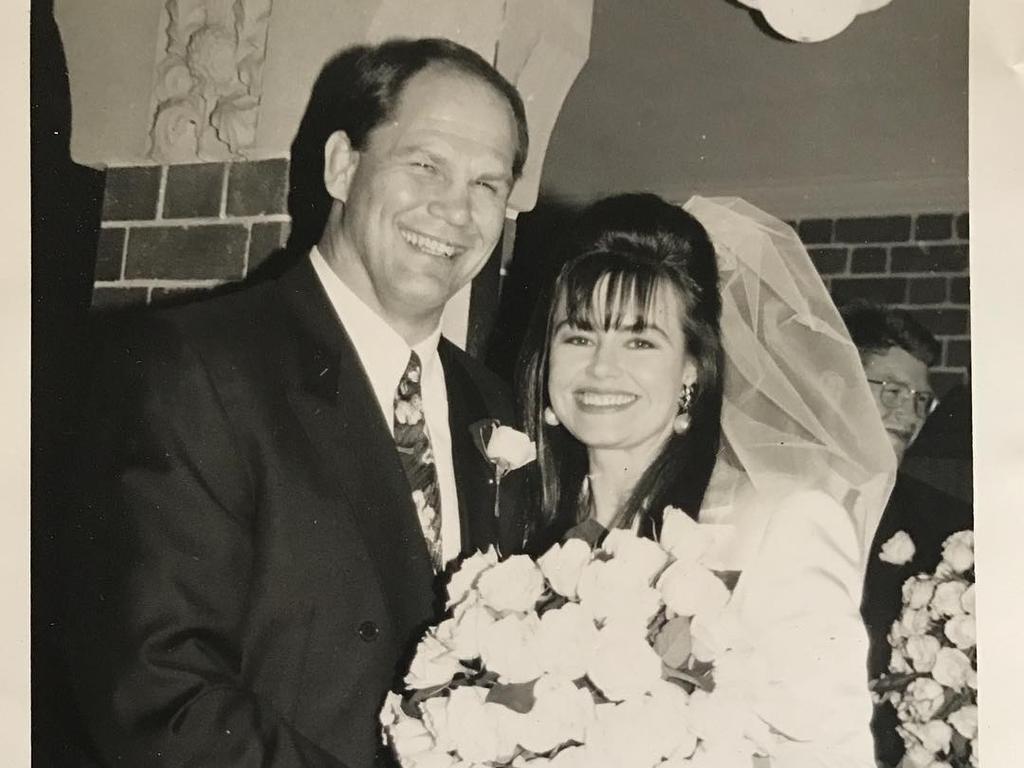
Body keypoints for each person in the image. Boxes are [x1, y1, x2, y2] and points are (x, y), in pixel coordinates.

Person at [63, 38, 529, 768]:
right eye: (425, 165)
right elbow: (159, 689)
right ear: (342, 166)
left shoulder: (493, 408)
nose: (454, 211)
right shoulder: (200, 367)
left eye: (487, 185)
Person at [518, 193, 896, 766]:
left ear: (692, 371)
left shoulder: (784, 521)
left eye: (640, 340)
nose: (600, 367)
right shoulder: (520, 519)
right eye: (579, 335)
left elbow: (830, 753)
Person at [841, 300, 974, 767]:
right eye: (891, 391)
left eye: (921, 399)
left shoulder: (941, 524)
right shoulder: (779, 498)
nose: (910, 413)